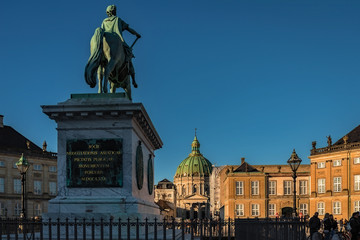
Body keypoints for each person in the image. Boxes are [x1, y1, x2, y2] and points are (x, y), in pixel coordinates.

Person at [101, 5, 141, 88]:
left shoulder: (104, 21)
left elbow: (102, 32)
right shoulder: (118, 19)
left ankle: (101, 84)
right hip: (119, 41)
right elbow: (129, 29)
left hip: (105, 42)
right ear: (114, 11)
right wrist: (137, 34)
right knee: (129, 55)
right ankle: (133, 79)